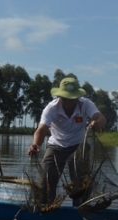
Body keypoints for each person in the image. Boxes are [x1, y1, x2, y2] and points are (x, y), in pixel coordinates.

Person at [27, 76, 107, 205]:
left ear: (77, 97)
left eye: (72, 98)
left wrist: (97, 123)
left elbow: (101, 118)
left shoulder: (85, 104)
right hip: (56, 146)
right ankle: (46, 207)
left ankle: (80, 210)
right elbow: (41, 129)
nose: (68, 102)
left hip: (78, 146)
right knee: (46, 181)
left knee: (81, 184)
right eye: (65, 98)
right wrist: (35, 144)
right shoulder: (51, 108)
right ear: (60, 96)